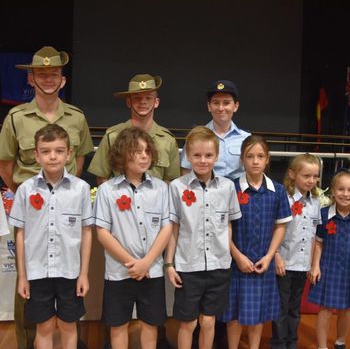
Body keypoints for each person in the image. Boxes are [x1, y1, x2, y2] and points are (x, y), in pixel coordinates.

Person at [0, 46, 94, 349]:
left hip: (66, 203)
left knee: (67, 300)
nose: (48, 79)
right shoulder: (16, 117)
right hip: (31, 206)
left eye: (53, 74)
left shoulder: (77, 117)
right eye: (41, 74)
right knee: (27, 289)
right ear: (31, 79)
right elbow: (6, 165)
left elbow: (79, 162)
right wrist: (28, 199)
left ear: (62, 79)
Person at [8, 124, 93, 349]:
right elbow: (21, 234)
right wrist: (23, 277)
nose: (52, 156)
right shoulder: (26, 190)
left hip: (70, 271)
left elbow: (86, 231)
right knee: (43, 327)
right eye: (45, 151)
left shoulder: (81, 189)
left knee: (68, 325)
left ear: (69, 154)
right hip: (37, 272)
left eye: (58, 150)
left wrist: (83, 274)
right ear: (36, 155)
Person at [93, 127, 172, 349]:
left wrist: (146, 262)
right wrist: (132, 262)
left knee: (150, 323)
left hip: (152, 270)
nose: (144, 155)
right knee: (118, 325)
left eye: (147, 150)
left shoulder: (161, 189)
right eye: (137, 151)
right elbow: (102, 232)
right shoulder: (107, 190)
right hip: (119, 272)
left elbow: (167, 228)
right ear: (122, 154)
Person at [165, 126, 242, 349]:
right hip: (188, 266)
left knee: (208, 321)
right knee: (188, 322)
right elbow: (174, 227)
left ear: (216, 156)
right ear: (188, 157)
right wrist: (169, 263)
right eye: (197, 155)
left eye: (208, 155)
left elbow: (227, 224)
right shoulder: (177, 187)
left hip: (219, 266)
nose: (203, 160)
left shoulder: (227, 187)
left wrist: (228, 253)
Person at [219, 135, 292, 349]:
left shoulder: (277, 191)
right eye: (250, 156)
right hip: (236, 262)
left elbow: (280, 226)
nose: (255, 161)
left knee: (258, 314)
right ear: (242, 159)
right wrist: (237, 255)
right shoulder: (230, 188)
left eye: (260, 156)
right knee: (234, 314)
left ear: (267, 159)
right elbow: (223, 227)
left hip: (264, 262)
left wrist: (270, 256)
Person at [88, 73, 180, 184]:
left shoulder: (167, 140)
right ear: (128, 102)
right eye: (137, 98)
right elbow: (102, 177)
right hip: (120, 199)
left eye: (148, 97)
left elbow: (170, 181)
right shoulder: (113, 136)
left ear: (156, 102)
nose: (143, 102)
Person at [271, 154, 321, 349]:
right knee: (281, 307)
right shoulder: (283, 199)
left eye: (315, 176)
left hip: (302, 265)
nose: (311, 180)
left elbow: (316, 236)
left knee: (294, 308)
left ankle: (292, 343)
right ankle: (279, 344)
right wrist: (276, 256)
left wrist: (313, 264)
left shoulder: (316, 203)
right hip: (284, 262)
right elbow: (274, 230)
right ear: (292, 174)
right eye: (306, 175)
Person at [308, 169, 350, 349]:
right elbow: (318, 243)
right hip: (329, 267)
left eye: (349, 190)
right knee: (325, 310)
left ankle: (340, 341)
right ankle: (322, 346)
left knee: (346, 309)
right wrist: (315, 266)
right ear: (332, 191)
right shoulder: (324, 215)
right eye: (341, 189)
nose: (346, 194)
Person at [180, 79, 250, 180]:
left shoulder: (246, 139)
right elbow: (186, 172)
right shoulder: (195, 137)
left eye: (226, 103)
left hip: (237, 194)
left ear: (235, 106)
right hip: (205, 192)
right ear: (209, 106)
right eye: (216, 103)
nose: (221, 108)